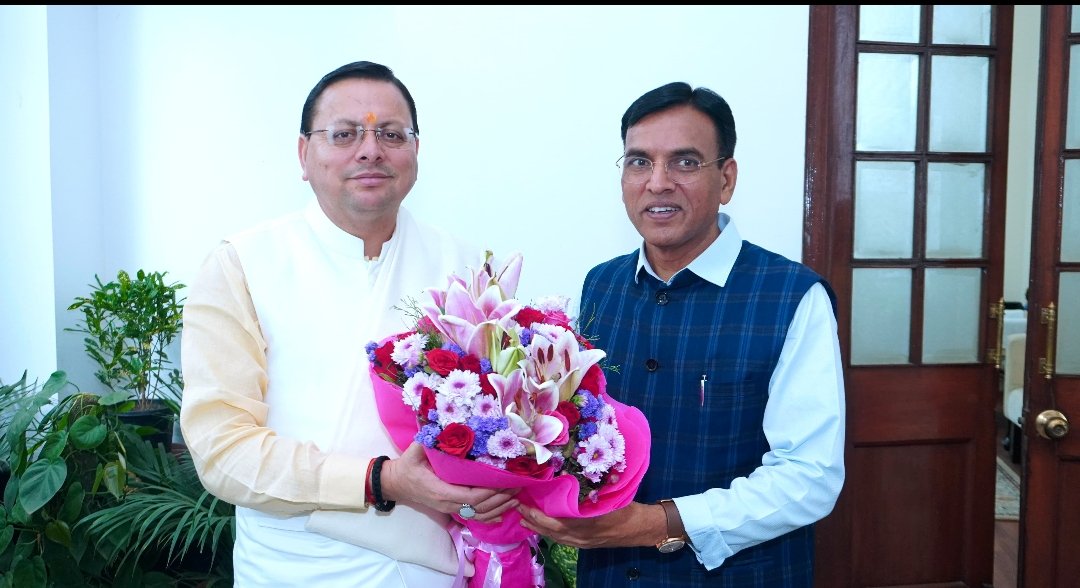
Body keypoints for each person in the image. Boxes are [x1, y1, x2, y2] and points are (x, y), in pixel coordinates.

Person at [179, 61, 518, 587]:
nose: (370, 150)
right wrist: (381, 480)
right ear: (303, 154)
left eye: (391, 134)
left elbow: (504, 421)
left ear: (416, 151)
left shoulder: (469, 268)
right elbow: (222, 451)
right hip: (293, 568)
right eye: (344, 134)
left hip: (435, 569)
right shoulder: (242, 265)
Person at [519, 81, 846, 587]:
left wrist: (656, 523)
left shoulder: (792, 296)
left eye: (685, 162)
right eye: (639, 162)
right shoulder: (600, 284)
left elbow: (809, 476)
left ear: (726, 178)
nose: (658, 182)